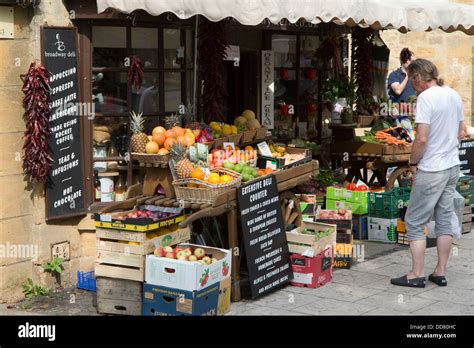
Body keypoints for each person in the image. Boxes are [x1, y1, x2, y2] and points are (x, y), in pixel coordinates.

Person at [391, 59, 464, 288]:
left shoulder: (425, 98)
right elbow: (461, 132)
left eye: (413, 81)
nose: (412, 86)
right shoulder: (453, 94)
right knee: (444, 220)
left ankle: (416, 274)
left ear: (418, 78)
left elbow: (421, 138)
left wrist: (413, 161)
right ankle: (440, 272)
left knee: (414, 221)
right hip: (452, 165)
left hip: (432, 168)